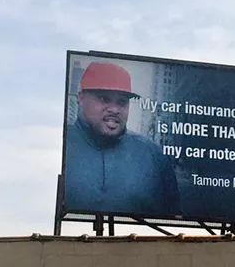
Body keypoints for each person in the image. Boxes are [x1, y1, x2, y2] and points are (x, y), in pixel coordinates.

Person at [63, 61, 181, 216]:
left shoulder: (152, 154)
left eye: (122, 102)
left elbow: (174, 216)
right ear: (81, 97)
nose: (114, 110)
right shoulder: (60, 144)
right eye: (104, 99)